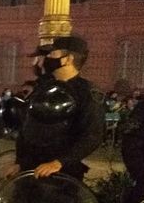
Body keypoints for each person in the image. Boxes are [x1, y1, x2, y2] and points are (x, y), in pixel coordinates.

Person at [14, 35, 104, 180]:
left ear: (68, 59)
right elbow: (28, 126)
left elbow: (92, 135)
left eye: (52, 54)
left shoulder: (86, 93)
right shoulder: (43, 86)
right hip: (30, 168)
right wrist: (20, 162)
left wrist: (59, 162)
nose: (48, 58)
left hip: (61, 174)